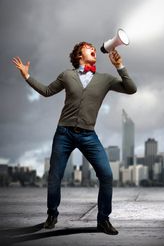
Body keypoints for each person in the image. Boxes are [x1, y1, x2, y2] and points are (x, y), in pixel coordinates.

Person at [12, 42, 137, 235]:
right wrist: (27, 75)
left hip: (89, 135)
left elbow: (131, 89)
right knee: (55, 176)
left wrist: (119, 66)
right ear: (79, 55)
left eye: (94, 48)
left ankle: (103, 220)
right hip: (64, 133)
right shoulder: (66, 75)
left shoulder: (105, 79)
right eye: (89, 47)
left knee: (106, 175)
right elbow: (46, 91)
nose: (94, 49)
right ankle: (52, 214)